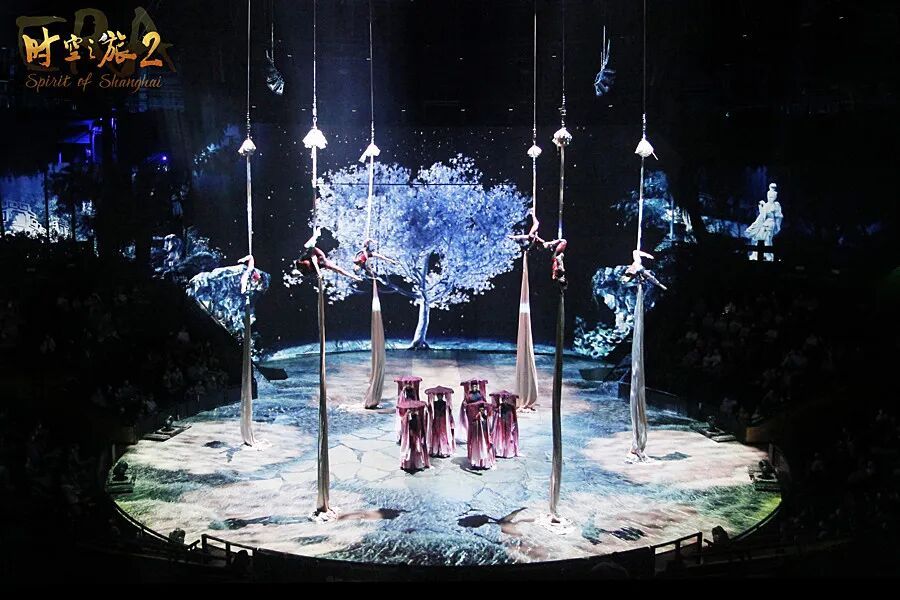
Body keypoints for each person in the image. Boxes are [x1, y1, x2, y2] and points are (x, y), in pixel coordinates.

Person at [745, 183, 783, 261]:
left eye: (772, 196)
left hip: (770, 224)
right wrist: (761, 207)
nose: (770, 198)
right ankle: (756, 254)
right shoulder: (766, 205)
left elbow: (778, 216)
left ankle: (768, 256)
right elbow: (762, 216)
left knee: (768, 239)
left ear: (775, 197)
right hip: (764, 223)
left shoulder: (776, 205)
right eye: (769, 196)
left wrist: (777, 225)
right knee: (759, 237)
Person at [293, 245, 362, 282]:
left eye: (296, 274)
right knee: (338, 270)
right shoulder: (305, 273)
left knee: (308, 246)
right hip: (321, 263)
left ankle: (316, 234)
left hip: (317, 255)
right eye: (297, 276)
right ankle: (354, 277)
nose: (298, 275)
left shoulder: (298, 263)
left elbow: (312, 257)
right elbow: (340, 270)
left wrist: (319, 273)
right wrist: (319, 276)